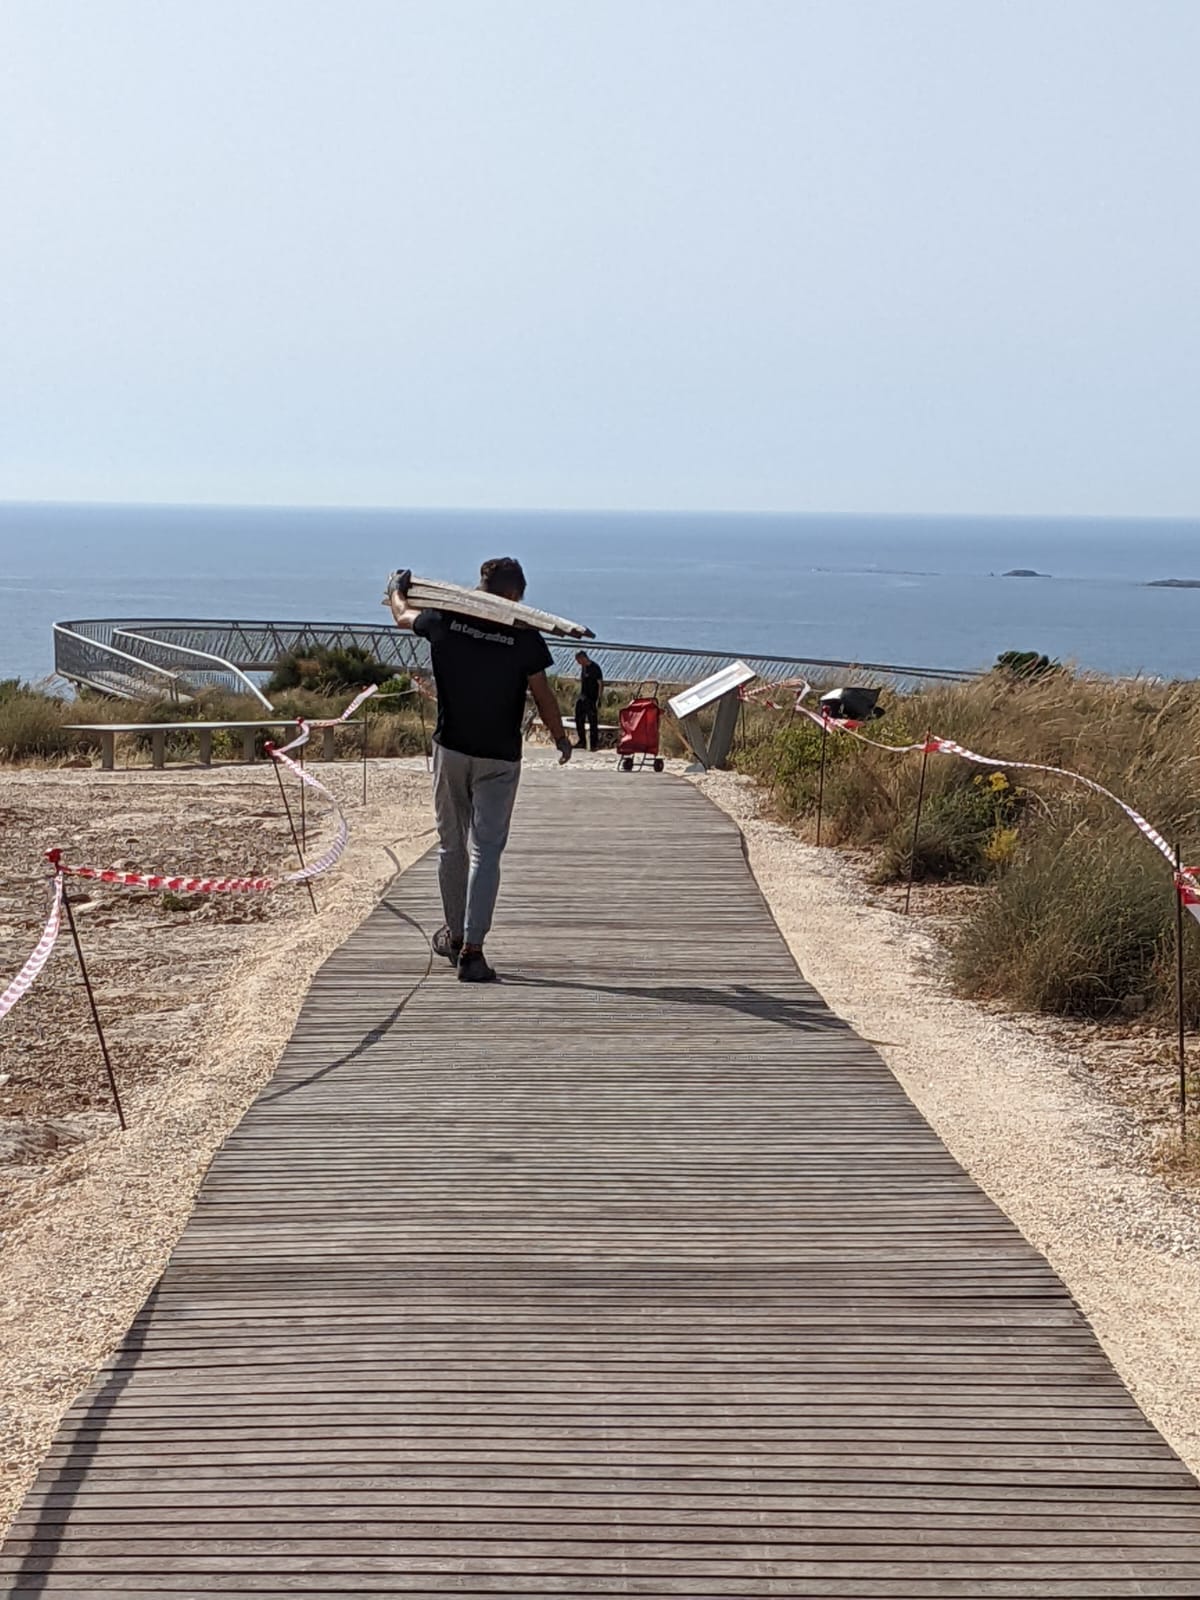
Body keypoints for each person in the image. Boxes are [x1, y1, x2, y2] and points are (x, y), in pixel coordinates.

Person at [387, 558, 573, 983]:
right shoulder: (522, 635)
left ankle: (453, 936)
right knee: (485, 851)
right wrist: (561, 738)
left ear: (482, 585)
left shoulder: (445, 619)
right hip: (500, 756)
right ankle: (473, 949)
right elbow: (543, 696)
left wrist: (398, 587)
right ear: (515, 595)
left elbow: (401, 615)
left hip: (451, 747)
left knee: (451, 844)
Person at [574, 650, 604, 751]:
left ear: (583, 658)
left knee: (592, 721)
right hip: (583, 697)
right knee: (579, 719)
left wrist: (599, 698)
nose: (578, 663)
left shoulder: (595, 668)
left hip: (592, 698)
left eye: (579, 660)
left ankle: (594, 744)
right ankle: (582, 741)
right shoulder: (584, 668)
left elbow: (600, 683)